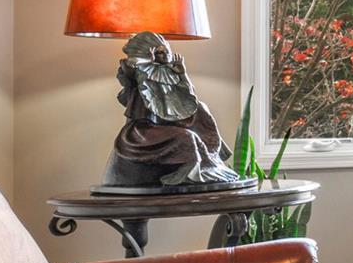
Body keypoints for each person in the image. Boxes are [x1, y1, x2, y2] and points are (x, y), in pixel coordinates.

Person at [98, 31, 245, 192]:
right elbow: (130, 75)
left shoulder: (168, 72)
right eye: (159, 52)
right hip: (145, 129)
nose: (164, 55)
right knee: (187, 137)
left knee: (201, 108)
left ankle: (210, 163)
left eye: (166, 51)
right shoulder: (139, 71)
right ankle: (188, 171)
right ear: (150, 53)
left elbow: (188, 99)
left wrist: (182, 74)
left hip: (170, 122)